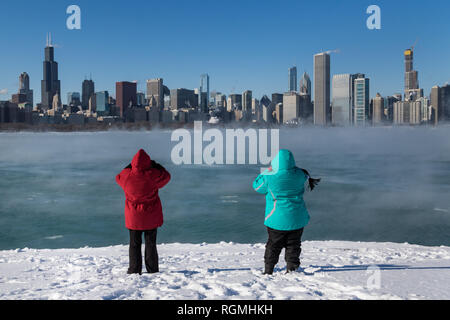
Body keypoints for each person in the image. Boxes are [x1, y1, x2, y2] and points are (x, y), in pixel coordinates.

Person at [252, 149, 320, 275]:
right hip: (297, 218)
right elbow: (303, 175)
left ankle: (268, 270)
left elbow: (257, 186)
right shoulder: (300, 174)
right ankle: (292, 269)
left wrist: (267, 171)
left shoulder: (269, 177)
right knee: (293, 244)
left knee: (273, 245)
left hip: (277, 219)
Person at [116, 149, 171, 275]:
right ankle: (152, 270)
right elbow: (167, 176)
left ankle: (134, 270)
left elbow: (118, 177)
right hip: (150, 216)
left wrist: (128, 167)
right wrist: (157, 166)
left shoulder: (127, 176)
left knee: (134, 244)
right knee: (150, 243)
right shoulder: (153, 174)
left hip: (133, 216)